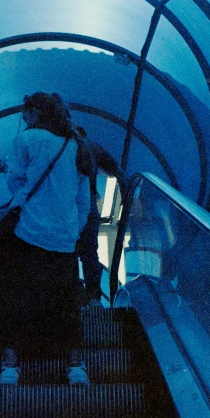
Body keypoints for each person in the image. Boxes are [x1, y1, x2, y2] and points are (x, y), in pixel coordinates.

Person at [0, 92, 93, 385]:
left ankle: (11, 368)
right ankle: (76, 367)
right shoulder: (76, 144)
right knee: (67, 301)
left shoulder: (27, 140)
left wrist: (5, 169)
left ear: (36, 112)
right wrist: (70, 231)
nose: (22, 117)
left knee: (15, 297)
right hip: (63, 239)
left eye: (25, 112)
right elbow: (83, 200)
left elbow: (16, 182)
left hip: (26, 234)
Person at [74, 126, 127, 308]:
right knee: (90, 253)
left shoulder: (63, 146)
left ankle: (71, 295)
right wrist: (125, 196)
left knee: (66, 252)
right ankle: (94, 298)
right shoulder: (94, 147)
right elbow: (116, 169)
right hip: (89, 208)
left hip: (65, 209)